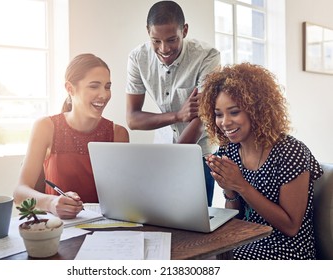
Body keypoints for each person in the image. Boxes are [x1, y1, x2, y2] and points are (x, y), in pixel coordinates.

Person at [199, 63, 323, 260]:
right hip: (246, 239)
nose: (225, 122)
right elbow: (236, 217)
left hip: (286, 248)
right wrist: (229, 190)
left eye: (234, 112)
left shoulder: (291, 152)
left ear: (256, 110)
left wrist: (240, 184)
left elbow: (291, 226)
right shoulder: (228, 150)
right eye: (218, 114)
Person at [125, 1, 220, 206]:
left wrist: (173, 163)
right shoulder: (137, 58)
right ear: (147, 32)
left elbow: (201, 116)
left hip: (199, 154)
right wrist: (177, 115)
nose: (164, 48)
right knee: (161, 222)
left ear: (184, 30)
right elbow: (132, 119)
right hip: (162, 152)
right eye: (156, 41)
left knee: (197, 228)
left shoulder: (207, 56)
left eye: (171, 39)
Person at [14, 53, 129, 219]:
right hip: (60, 229)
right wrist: (51, 203)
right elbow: (19, 193)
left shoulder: (118, 134)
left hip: (105, 228)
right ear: (70, 88)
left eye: (107, 86)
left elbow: (123, 196)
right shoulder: (46, 127)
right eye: (94, 86)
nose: (104, 95)